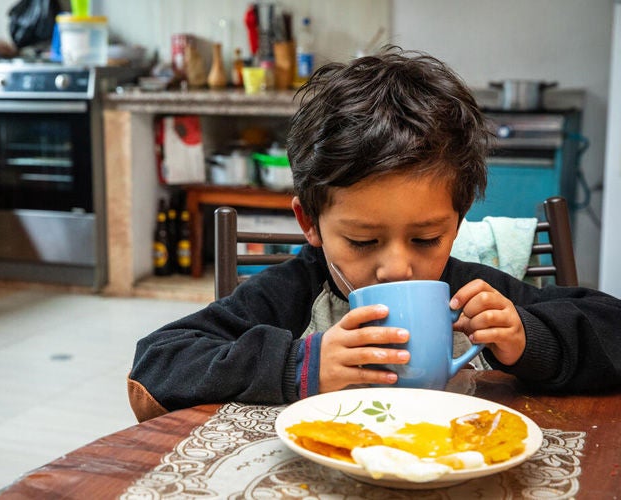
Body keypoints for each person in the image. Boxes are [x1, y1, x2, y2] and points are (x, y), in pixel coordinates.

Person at [127, 46, 621, 422]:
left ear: (458, 219)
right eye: (363, 241)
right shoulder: (292, 295)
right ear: (310, 224)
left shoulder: (471, 295)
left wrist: (529, 339)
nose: (397, 267)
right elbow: (157, 363)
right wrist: (301, 363)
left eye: (426, 238)